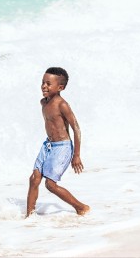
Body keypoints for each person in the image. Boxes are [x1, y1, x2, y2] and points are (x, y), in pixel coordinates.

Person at [26, 67, 90, 218]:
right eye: (43, 82)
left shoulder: (62, 105)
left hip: (62, 147)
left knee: (50, 185)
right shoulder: (43, 102)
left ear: (60, 87)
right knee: (34, 178)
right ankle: (29, 216)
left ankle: (81, 207)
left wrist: (77, 155)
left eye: (48, 84)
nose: (44, 86)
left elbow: (76, 129)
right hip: (48, 145)